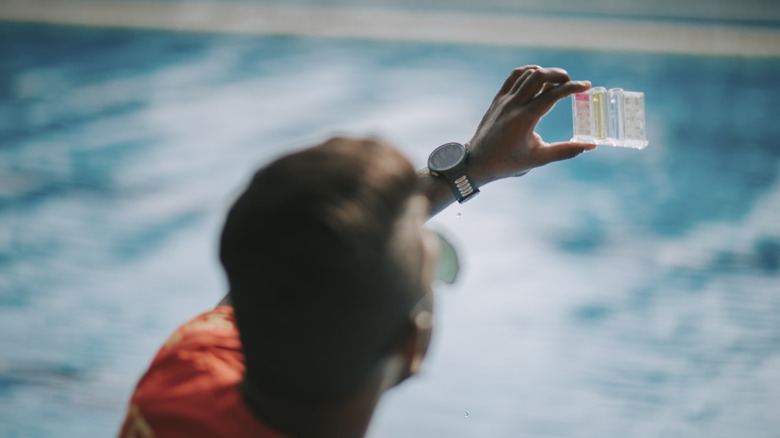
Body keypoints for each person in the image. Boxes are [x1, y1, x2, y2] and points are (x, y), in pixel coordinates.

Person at [118, 65, 596, 438]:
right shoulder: (194, 356)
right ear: (415, 345)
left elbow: (281, 268)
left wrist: (468, 167)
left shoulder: (186, 369)